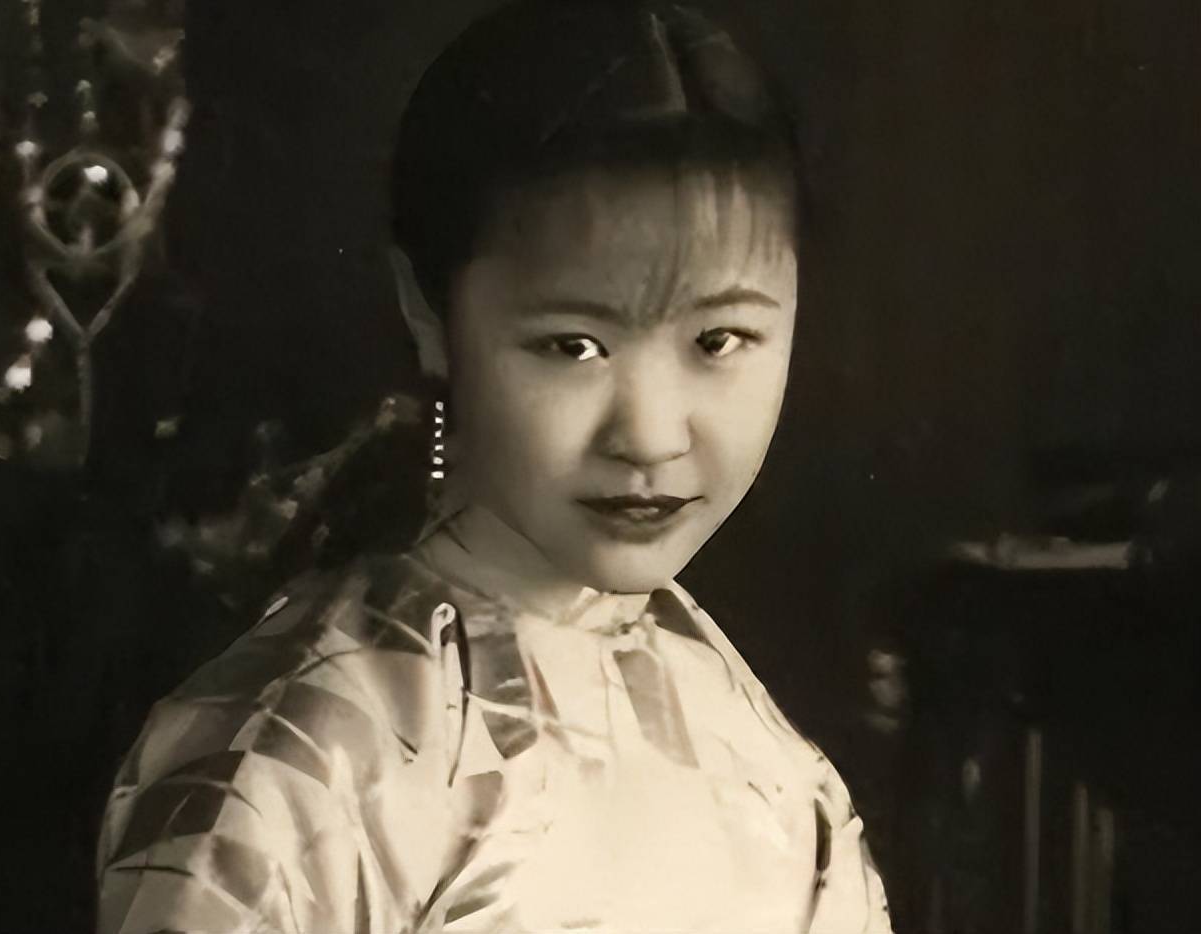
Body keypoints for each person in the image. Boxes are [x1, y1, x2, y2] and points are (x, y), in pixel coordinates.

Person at [95, 1, 893, 930]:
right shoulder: (295, 762)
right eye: (572, 346)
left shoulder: (766, 760)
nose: (650, 436)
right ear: (429, 313)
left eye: (719, 340)